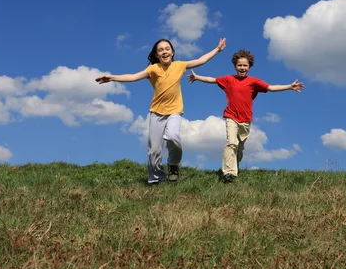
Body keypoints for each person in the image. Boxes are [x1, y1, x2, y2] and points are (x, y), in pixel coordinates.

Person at [96, 38, 227, 185]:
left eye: (167, 49)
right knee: (154, 150)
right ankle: (156, 178)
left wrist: (217, 49)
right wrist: (112, 78)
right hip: (156, 113)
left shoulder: (180, 65)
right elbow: (133, 77)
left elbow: (201, 60)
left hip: (175, 111)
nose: (164, 51)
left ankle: (173, 165)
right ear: (157, 55)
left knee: (173, 136)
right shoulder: (153, 69)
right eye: (160, 50)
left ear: (172, 52)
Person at [187, 48, 304, 183]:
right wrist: (197, 77)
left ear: (249, 67)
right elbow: (212, 80)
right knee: (231, 143)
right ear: (235, 66)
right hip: (231, 116)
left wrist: (289, 86)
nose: (242, 68)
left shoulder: (254, 82)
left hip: (246, 120)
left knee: (239, 148)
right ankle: (228, 174)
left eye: (245, 65)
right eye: (239, 65)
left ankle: (234, 165)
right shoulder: (228, 79)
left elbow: (271, 88)